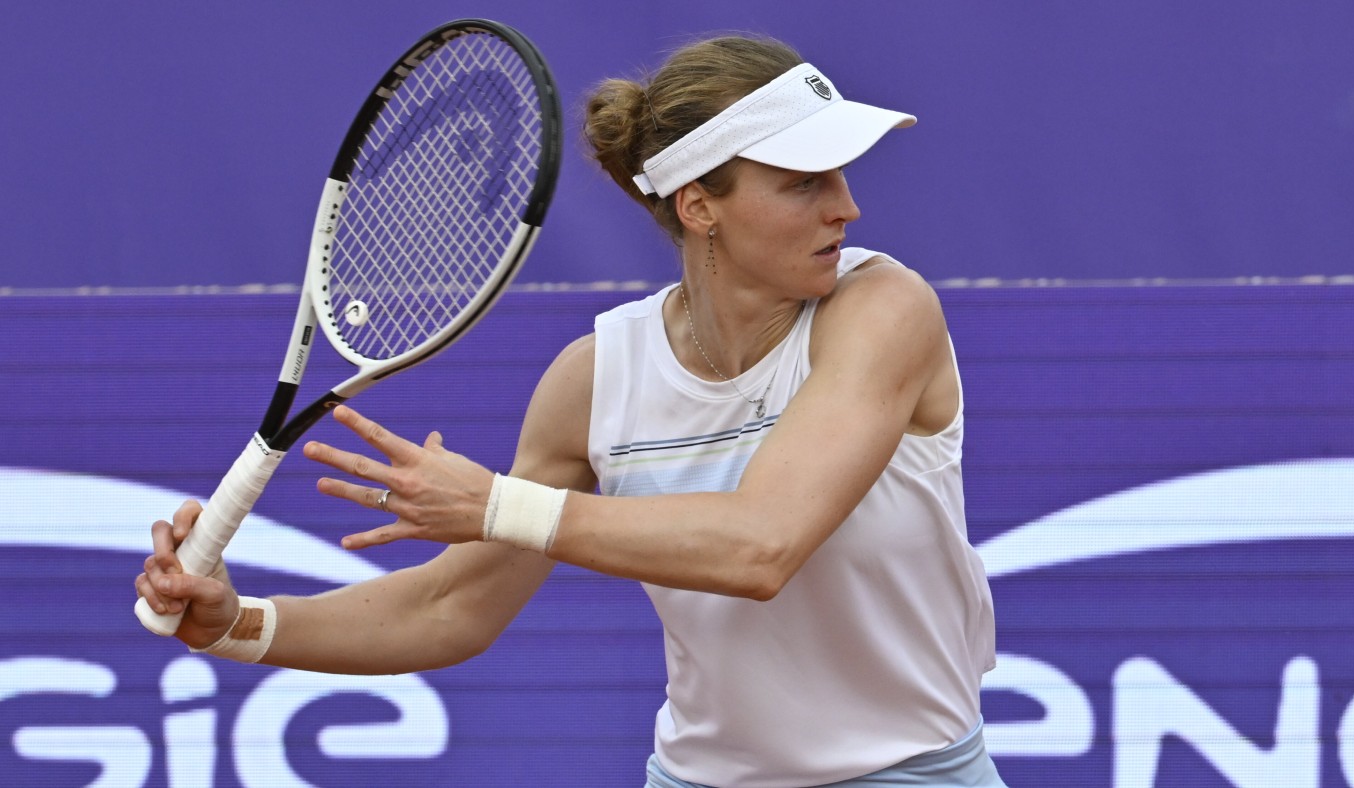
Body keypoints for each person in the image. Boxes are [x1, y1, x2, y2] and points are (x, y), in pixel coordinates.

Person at [136, 33, 1004, 787]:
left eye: (841, 176)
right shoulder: (598, 378)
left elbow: (761, 546)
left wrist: (496, 505)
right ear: (700, 204)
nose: (846, 206)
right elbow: (452, 607)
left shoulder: (884, 310)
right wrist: (238, 625)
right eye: (804, 182)